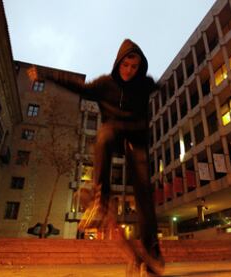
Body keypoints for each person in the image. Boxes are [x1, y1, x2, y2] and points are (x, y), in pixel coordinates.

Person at [50, 39, 164, 276]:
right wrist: (46, 75)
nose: (129, 72)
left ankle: (152, 250)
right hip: (114, 133)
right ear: (119, 62)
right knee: (103, 136)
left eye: (134, 67)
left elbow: (162, 86)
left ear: (139, 67)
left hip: (137, 141)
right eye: (126, 65)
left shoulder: (145, 84)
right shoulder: (105, 84)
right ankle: (101, 199)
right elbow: (77, 86)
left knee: (143, 193)